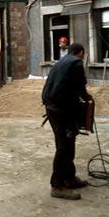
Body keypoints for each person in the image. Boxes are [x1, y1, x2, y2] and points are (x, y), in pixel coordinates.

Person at [41, 42, 93, 200]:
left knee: (69, 142)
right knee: (63, 146)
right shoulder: (76, 63)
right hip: (60, 110)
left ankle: (69, 178)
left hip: (53, 108)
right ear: (81, 53)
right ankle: (57, 185)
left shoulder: (60, 62)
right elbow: (79, 88)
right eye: (83, 55)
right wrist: (88, 99)